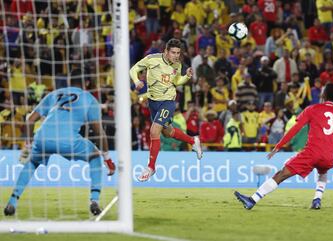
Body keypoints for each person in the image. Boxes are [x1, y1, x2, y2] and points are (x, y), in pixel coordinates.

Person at [3, 69, 116, 216]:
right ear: (87, 82)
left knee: (32, 163)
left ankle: (12, 202)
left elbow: (30, 120)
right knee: (94, 155)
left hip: (42, 138)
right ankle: (94, 201)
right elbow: (99, 133)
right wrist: (107, 158)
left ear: (70, 81)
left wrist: (29, 144)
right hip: (68, 141)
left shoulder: (54, 94)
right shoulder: (89, 99)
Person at [234, 83, 333, 210]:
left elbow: (295, 129)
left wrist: (278, 146)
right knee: (323, 171)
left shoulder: (312, 109)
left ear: (323, 94)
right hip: (329, 156)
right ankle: (317, 200)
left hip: (311, 153)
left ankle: (252, 200)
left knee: (281, 174)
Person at [130, 38, 202, 182]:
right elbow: (134, 69)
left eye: (178, 53)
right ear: (166, 51)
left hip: (168, 102)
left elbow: (176, 82)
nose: (176, 55)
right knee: (167, 132)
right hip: (153, 102)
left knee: (154, 131)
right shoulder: (152, 59)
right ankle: (193, 140)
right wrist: (137, 81)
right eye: (173, 52)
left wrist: (186, 77)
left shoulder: (177, 65)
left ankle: (150, 167)